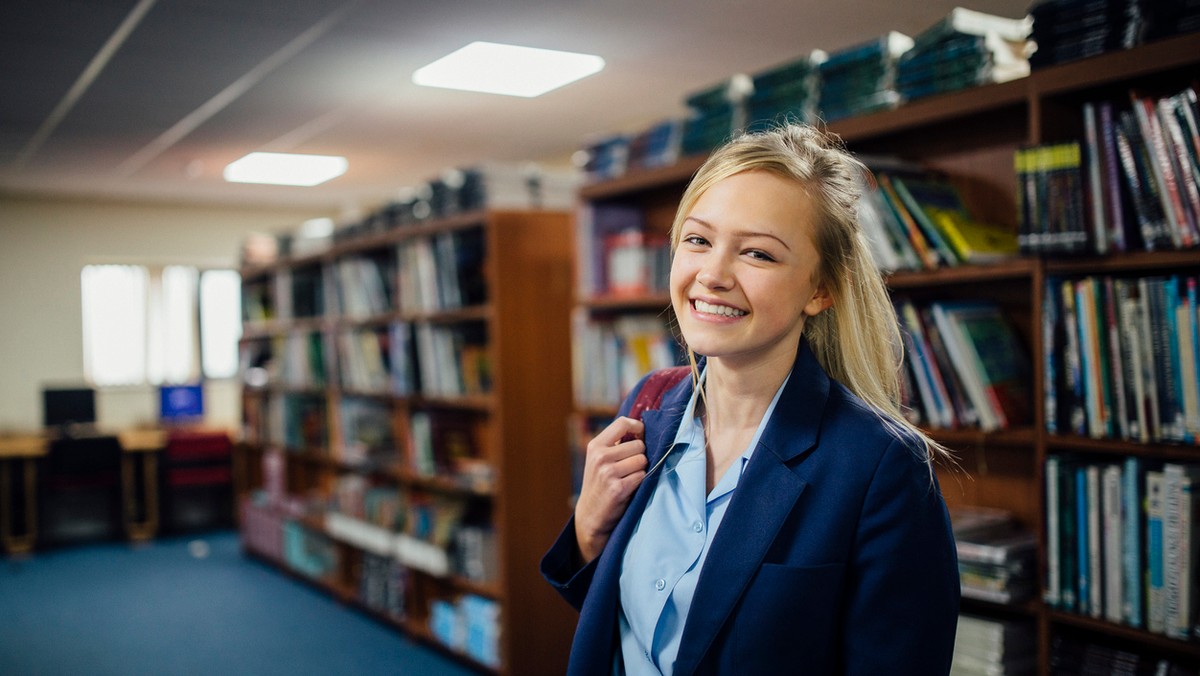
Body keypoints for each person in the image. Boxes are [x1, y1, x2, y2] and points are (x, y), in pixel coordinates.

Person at [541, 123, 960, 675]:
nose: (711, 275)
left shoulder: (881, 466)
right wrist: (589, 532)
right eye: (697, 240)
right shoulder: (650, 405)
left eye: (758, 254)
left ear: (820, 289)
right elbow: (629, 627)